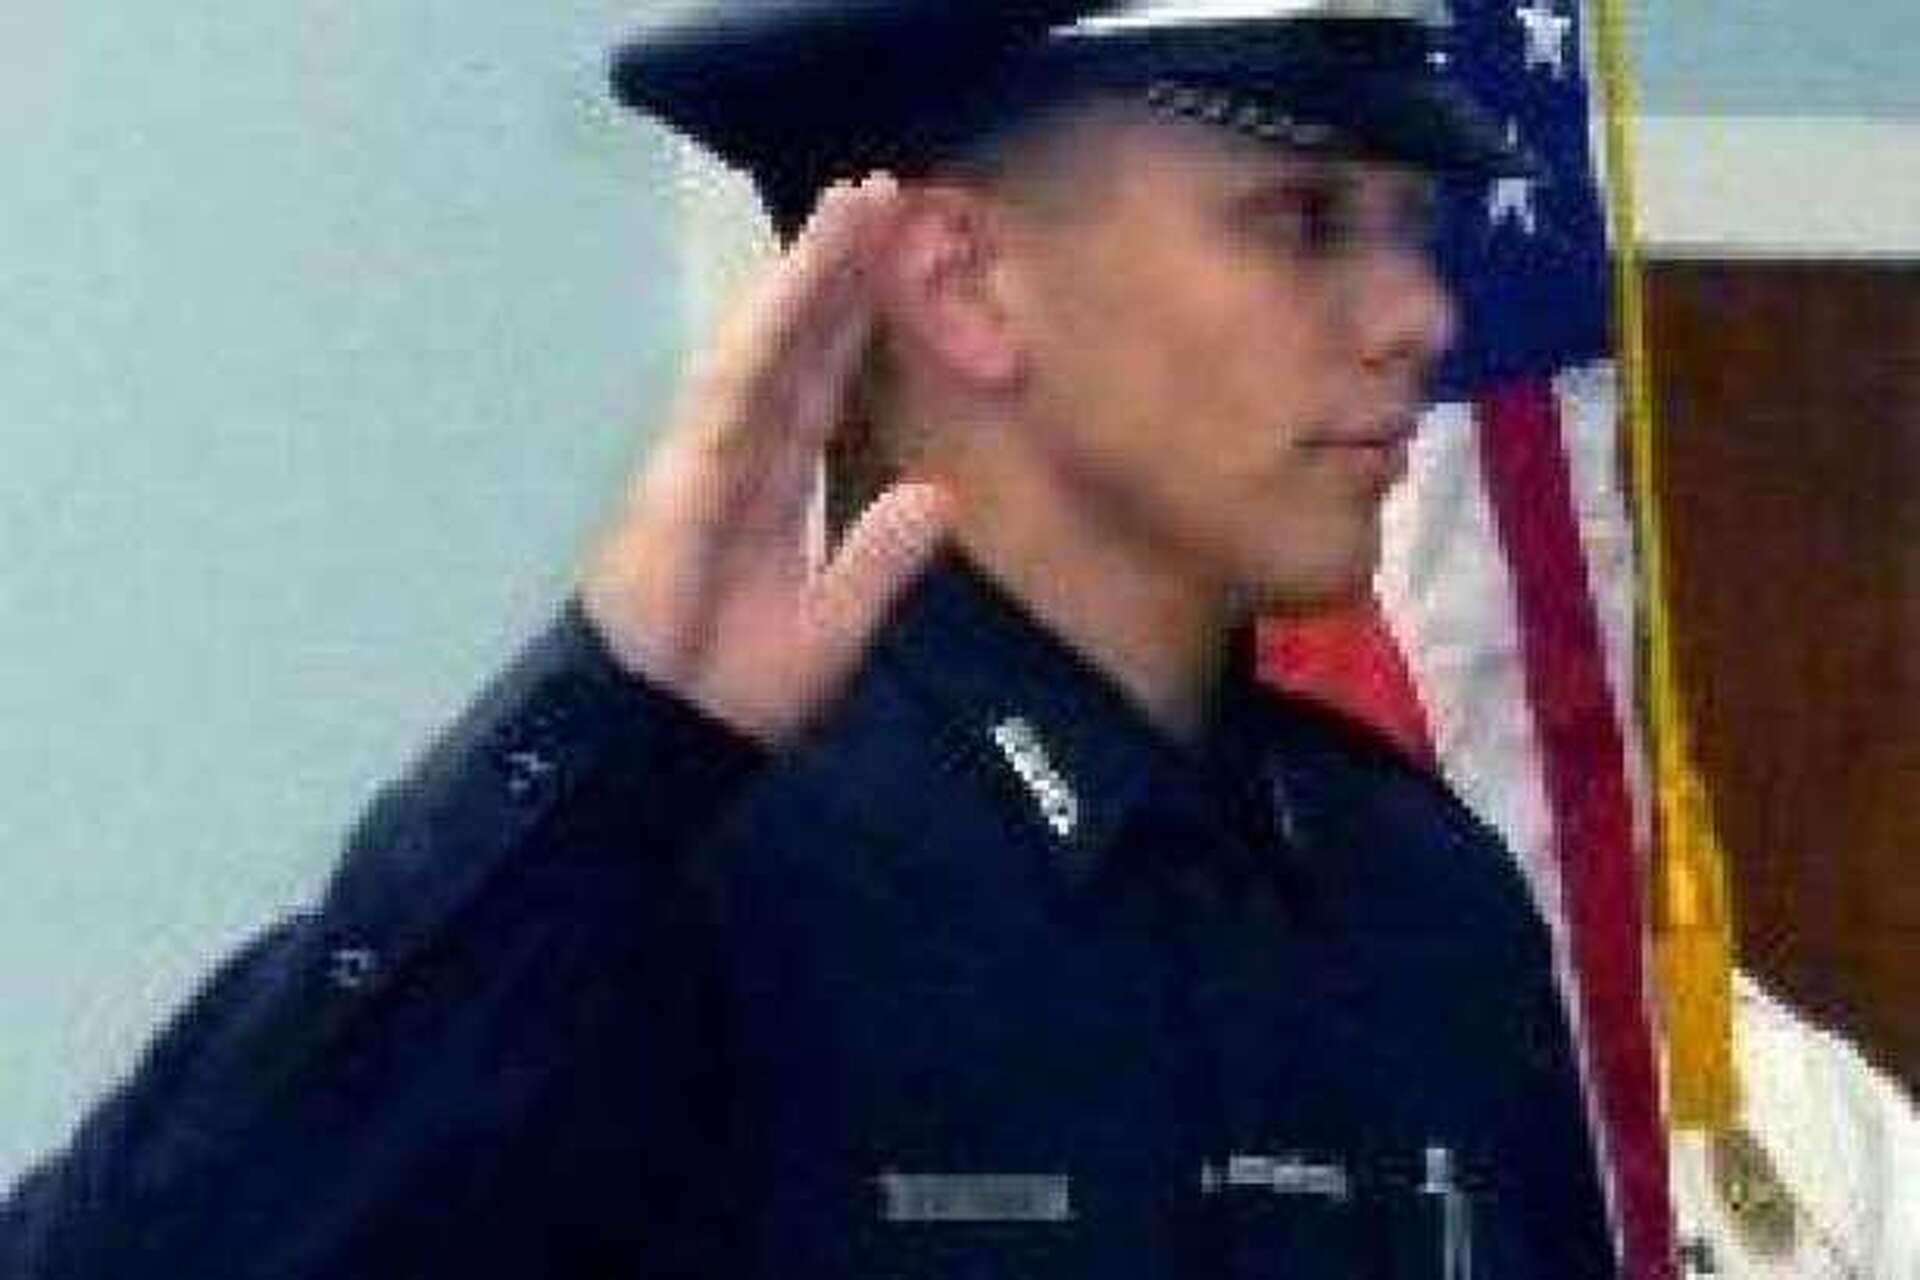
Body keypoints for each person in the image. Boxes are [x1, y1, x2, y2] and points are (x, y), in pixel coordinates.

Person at [2, 1, 1618, 1275]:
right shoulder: (677, 871)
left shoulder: (1420, 902)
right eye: (1305, 220)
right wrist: (607, 742)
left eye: (1409, 225)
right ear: (965, 284)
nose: (1420, 315)